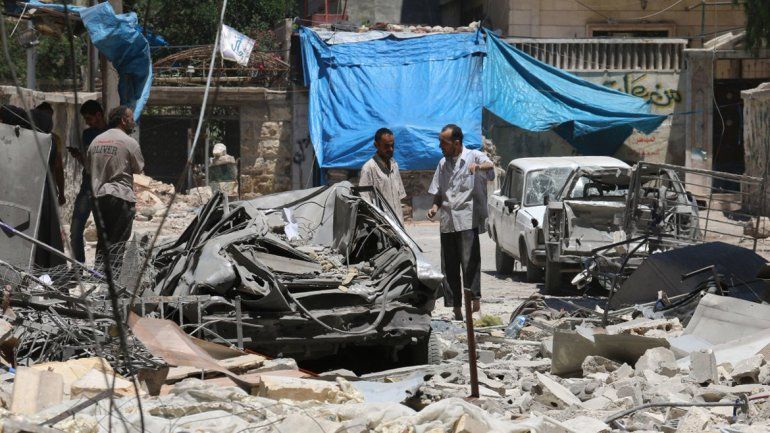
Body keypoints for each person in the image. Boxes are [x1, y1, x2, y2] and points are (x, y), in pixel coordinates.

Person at [427, 124, 495, 320]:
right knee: (449, 267)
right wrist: (434, 208)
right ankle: (456, 308)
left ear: (456, 143)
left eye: (444, 142)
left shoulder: (473, 156)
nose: (440, 146)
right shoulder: (442, 163)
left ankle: (475, 305)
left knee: (470, 264)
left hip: (467, 220)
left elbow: (490, 168)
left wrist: (478, 167)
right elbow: (439, 192)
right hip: (447, 222)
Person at [87, 106, 144, 267]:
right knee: (118, 243)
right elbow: (138, 167)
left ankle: (99, 278)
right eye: (131, 119)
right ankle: (113, 284)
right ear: (123, 120)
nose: (133, 122)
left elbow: (88, 168)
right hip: (120, 196)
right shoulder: (129, 142)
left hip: (98, 198)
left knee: (103, 242)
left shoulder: (95, 141)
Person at [68, 100, 107, 264]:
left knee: (103, 231)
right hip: (87, 186)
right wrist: (79, 156)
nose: (87, 122)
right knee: (75, 229)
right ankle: (79, 266)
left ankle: (100, 268)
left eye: (89, 118)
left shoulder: (112, 133)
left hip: (105, 188)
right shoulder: (88, 135)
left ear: (99, 115)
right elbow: (88, 164)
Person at [358, 128, 406, 224]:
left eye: (392, 145)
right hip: (383, 227)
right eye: (387, 146)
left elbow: (399, 196)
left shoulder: (394, 165)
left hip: (399, 225)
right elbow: (365, 201)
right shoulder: (369, 168)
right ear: (376, 145)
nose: (391, 149)